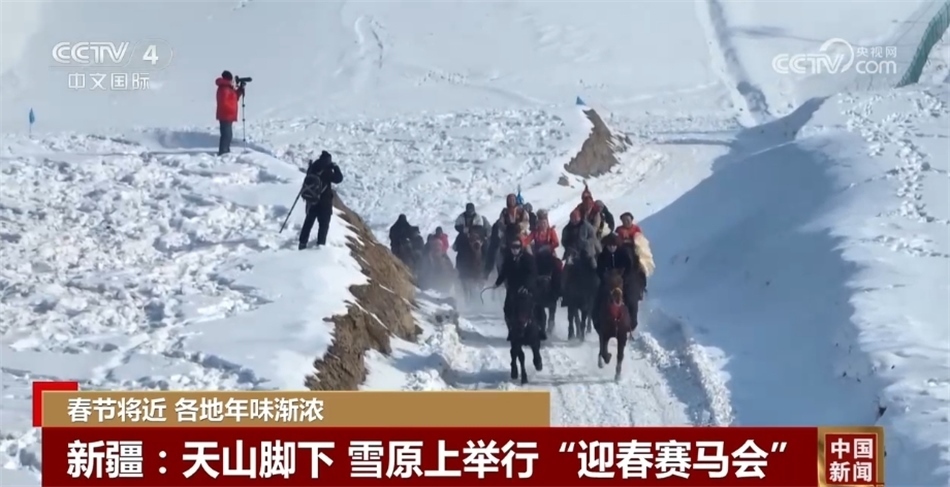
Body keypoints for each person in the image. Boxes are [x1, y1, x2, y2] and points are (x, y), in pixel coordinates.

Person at [494, 237, 542, 341]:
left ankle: (539, 329)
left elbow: (532, 274)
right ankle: (511, 330)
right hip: (512, 289)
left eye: (517, 247)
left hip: (526, 289)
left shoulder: (528, 258)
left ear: (521, 248)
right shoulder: (508, 259)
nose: (515, 249)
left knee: (535, 308)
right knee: (507, 310)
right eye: (513, 247)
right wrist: (497, 283)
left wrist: (526, 286)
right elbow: (503, 272)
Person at [298, 151, 343, 250]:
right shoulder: (327, 171)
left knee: (308, 223)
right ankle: (320, 246)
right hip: (324, 203)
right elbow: (339, 179)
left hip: (312, 201)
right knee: (323, 226)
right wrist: (335, 167)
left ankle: (302, 243)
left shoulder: (313, 167)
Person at [595, 233, 638, 326]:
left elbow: (629, 267)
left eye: (614, 245)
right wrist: (604, 277)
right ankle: (597, 321)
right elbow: (599, 270)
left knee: (631, 298)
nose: (612, 247)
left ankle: (632, 321)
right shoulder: (602, 256)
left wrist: (624, 277)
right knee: (598, 298)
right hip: (607, 282)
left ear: (617, 245)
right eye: (609, 246)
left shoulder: (623, 254)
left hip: (623, 281)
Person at [215, 70, 244, 156]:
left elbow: (234, 98)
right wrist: (231, 110)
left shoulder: (227, 88)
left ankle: (225, 150)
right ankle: (223, 151)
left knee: (228, 135)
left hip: (227, 114)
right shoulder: (224, 88)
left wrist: (240, 90)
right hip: (226, 114)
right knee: (226, 135)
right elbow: (225, 102)